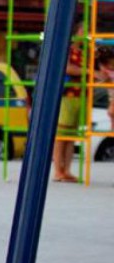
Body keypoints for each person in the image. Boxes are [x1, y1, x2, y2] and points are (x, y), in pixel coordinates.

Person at [53, 22, 86, 183]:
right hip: (67, 95)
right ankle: (58, 170)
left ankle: (67, 170)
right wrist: (87, 71)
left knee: (71, 136)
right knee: (61, 135)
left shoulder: (85, 52)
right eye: (85, 30)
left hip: (80, 95)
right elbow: (67, 68)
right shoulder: (68, 49)